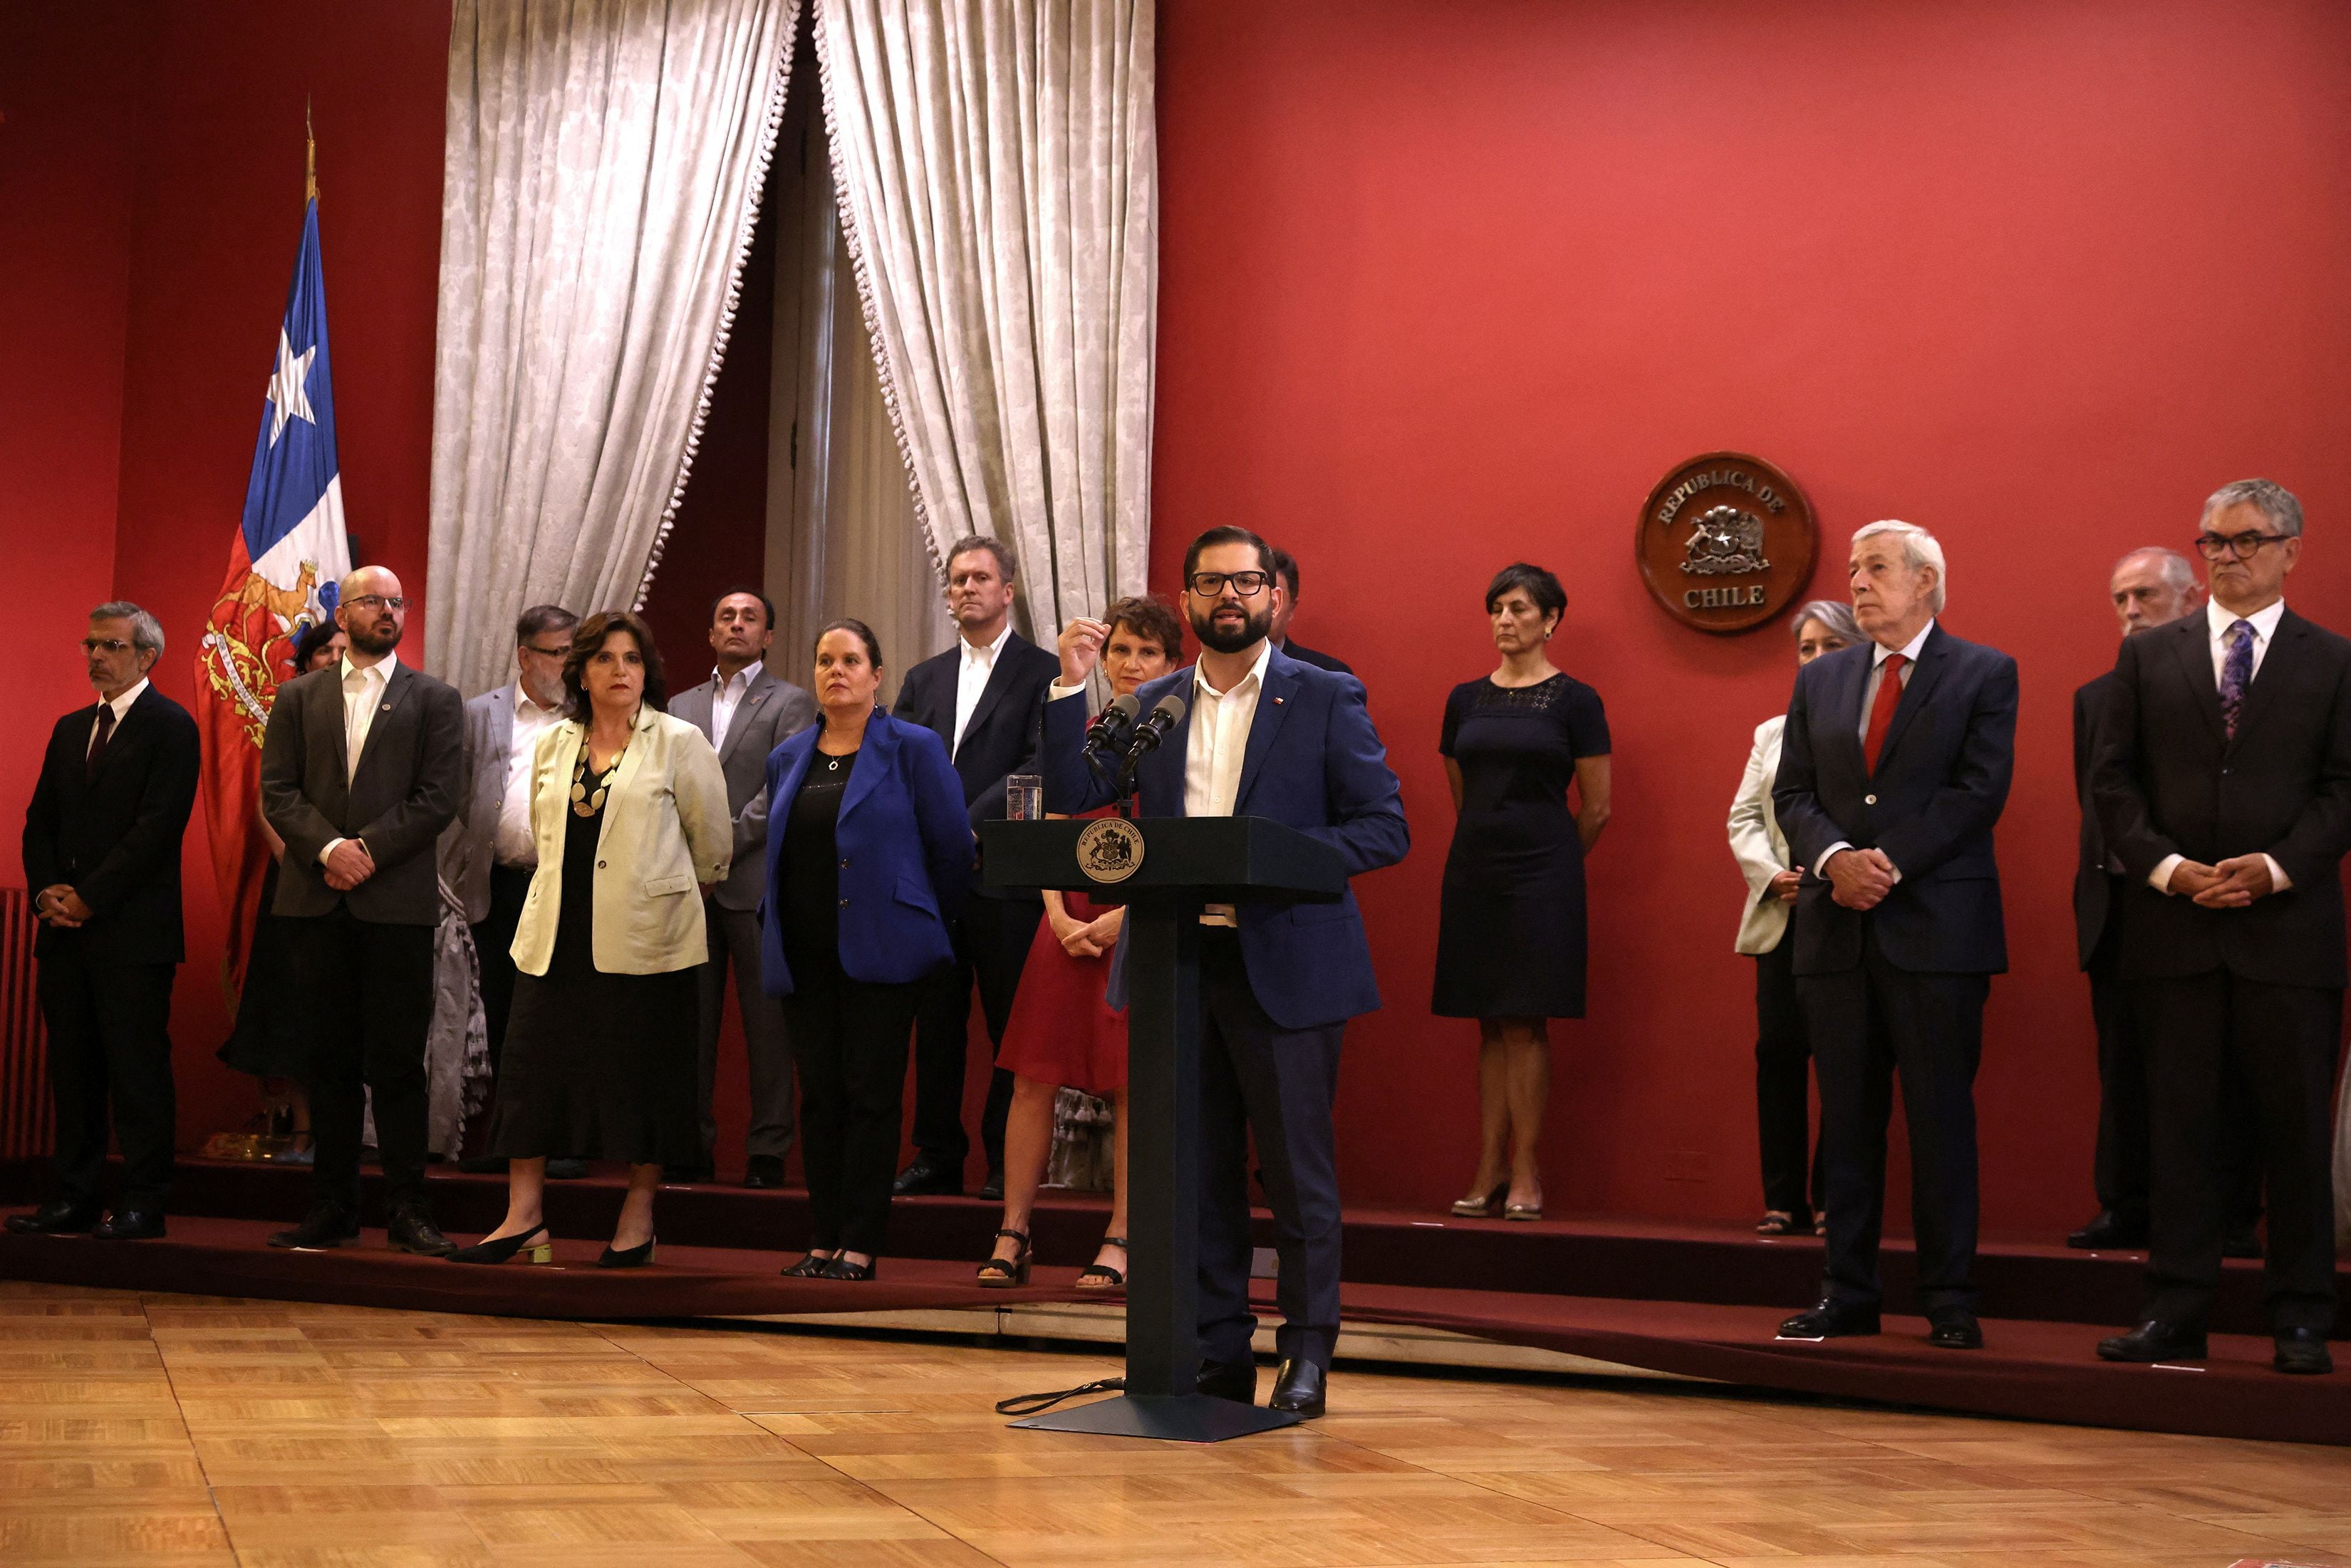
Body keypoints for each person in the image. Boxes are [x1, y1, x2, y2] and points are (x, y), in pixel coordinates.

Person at [1047, 526, 1409, 1419]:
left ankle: (1306, 1355)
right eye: (1213, 583)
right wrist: (1067, 687)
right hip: (1179, 968)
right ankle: (1215, 1352)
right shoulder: (1155, 703)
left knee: (1295, 1177)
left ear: (1274, 596)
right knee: (1196, 1176)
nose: (1232, 596)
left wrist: (1264, 858)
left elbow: (1383, 828)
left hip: (1285, 965)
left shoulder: (1323, 695)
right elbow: (1074, 782)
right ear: (1187, 601)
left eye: (1247, 581)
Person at [2094, 479, 2351, 1377]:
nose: (2228, 556)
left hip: (2290, 933)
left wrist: (2276, 866)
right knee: (2181, 1134)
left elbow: (2343, 789)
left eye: (2246, 540)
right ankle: (2175, 1312)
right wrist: (2168, 868)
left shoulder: (2334, 660)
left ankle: (2303, 1317)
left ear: (2291, 548)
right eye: (2213, 542)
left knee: (2293, 1137)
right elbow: (2114, 783)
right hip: (2176, 930)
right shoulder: (2149, 657)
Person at [1774, 521, 2017, 1352]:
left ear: (1927, 580)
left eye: (1875, 568)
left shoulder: (1983, 671)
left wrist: (1889, 863)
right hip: (1837, 932)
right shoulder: (1824, 680)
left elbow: (1978, 791)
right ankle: (1848, 1290)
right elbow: (1794, 793)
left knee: (1940, 1118)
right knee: (1846, 1120)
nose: (1858, 582)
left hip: (1937, 931)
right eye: (1853, 569)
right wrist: (1837, 860)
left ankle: (1949, 1296)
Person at [450, 611, 731, 1267]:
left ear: (647, 670)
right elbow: (546, 840)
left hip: (647, 941)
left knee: (646, 1079)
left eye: (632, 659)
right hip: (555, 935)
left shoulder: (679, 741)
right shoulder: (553, 743)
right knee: (531, 1073)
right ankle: (524, 1219)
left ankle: (638, 1217)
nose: (620, 671)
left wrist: (660, 898)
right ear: (580, 671)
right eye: (604, 659)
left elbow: (713, 849)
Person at [259, 566, 465, 1254]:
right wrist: (328, 851)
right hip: (315, 904)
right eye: (374, 601)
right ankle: (332, 1207)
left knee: (399, 1063)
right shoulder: (296, 696)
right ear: (341, 614)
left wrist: (366, 850)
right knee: (329, 1061)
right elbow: (278, 792)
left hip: (395, 904)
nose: (388, 610)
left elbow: (438, 797)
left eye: (397, 602)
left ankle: (408, 1207)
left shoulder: (434, 699)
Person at [977, 595, 1180, 1288]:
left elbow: (1182, 841)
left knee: (1132, 1086)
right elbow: (1048, 819)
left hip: (1139, 922)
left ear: (1173, 663)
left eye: (1147, 651)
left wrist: (1126, 916)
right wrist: (1059, 915)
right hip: (1064, 920)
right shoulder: (1087, 730)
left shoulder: (1185, 737)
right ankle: (1013, 1231)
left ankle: (1122, 1236)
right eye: (1120, 649)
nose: (1130, 663)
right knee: (1031, 1076)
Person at [764, 620, 973, 1281]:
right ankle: (822, 1239)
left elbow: (953, 850)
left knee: (871, 1097)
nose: (836, 671)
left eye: (850, 660)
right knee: (820, 1100)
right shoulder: (789, 755)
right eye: (825, 660)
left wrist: (917, 921)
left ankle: (860, 1243)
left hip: (885, 953)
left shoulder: (913, 747)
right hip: (804, 953)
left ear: (877, 674)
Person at [2068, 551, 2264, 1253]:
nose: (2129, 610)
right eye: (2119, 597)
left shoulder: (2238, 690)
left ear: (2191, 598)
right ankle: (2125, 1204)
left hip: (2218, 897)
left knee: (2229, 1069)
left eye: (2144, 594)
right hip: (2120, 904)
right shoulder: (2094, 696)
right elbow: (2097, 803)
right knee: (2123, 1065)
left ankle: (2231, 1215)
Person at [9, 603, 199, 1241]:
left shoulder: (172, 726)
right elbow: (41, 824)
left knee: (137, 1069)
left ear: (147, 656)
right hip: (63, 932)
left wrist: (89, 897)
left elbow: (156, 830)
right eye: (90, 644)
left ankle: (144, 1200)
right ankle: (75, 1194)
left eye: (111, 646)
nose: (95, 656)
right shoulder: (69, 728)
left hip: (133, 934)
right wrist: (45, 897)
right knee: (73, 1067)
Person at [1433, 564, 1611, 1223]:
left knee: (1525, 1019)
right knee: (1486, 1017)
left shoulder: (1576, 701)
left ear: (1551, 619)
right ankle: (1489, 1164)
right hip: (1475, 869)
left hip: (1545, 875)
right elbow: (1461, 789)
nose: (1505, 620)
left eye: (1520, 608)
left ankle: (1528, 1168)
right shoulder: (1464, 698)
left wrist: (1554, 864)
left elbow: (1596, 809)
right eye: (1496, 608)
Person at [891, 535, 1060, 1201]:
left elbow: (1039, 768)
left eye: (980, 578)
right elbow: (896, 758)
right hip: (933, 879)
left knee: (1006, 1026)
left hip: (1004, 875)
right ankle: (935, 1153)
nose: (966, 588)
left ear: (1008, 591)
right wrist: (938, 830)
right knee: (934, 1024)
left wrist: (963, 823)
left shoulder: (1043, 670)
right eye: (958, 578)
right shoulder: (923, 677)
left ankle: (1001, 1159)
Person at [669, 587, 818, 1186]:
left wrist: (718, 848)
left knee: (768, 1025)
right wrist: (692, 856)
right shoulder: (679, 703)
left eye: (750, 617)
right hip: (685, 888)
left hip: (753, 883)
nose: (736, 624)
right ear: (710, 633)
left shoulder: (792, 702)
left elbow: (783, 787)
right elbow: (663, 785)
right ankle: (690, 1146)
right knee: (690, 1026)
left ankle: (767, 1151)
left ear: (769, 635)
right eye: (725, 616)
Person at [1728, 600, 1859, 1236]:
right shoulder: (1770, 732)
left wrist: (1831, 869)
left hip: (1844, 911)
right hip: (1781, 913)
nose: (1815, 659)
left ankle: (1835, 1195)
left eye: (1829, 646)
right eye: (1805, 649)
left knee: (1844, 1056)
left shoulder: (1876, 725)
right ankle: (1782, 1199)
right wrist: (1768, 873)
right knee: (1778, 1052)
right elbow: (1744, 818)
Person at [437, 604, 581, 1177]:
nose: (568, 664)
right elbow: (454, 794)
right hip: (497, 885)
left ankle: (563, 1143)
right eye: (558, 652)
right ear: (525, 655)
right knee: (500, 1011)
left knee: (559, 1014)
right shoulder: (479, 713)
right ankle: (511, 1139)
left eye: (574, 652)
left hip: (567, 888)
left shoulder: (590, 716)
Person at [217, 617, 347, 1165]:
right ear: (306, 659)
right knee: (292, 1009)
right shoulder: (290, 710)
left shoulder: (384, 713)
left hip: (359, 878)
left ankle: (345, 1133)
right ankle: (301, 1129)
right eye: (327, 651)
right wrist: (303, 861)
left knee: (341, 1012)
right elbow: (269, 800)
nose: (338, 659)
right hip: (296, 879)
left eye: (346, 649)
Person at [1266, 546, 1353, 675]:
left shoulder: (1330, 676)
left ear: (1292, 608)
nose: (1264, 606)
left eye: (1273, 598)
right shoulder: (1226, 672)